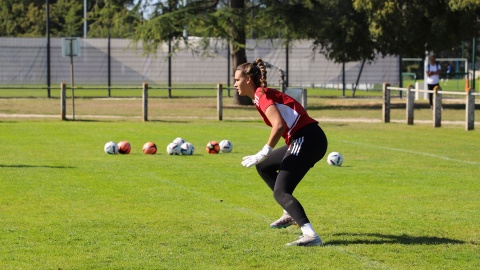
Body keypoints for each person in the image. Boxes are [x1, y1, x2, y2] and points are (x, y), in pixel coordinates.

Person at [234, 58, 328, 247]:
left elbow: (279, 125)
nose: (234, 84)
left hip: (308, 139)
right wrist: (264, 156)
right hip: (304, 139)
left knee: (281, 191)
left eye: (237, 79)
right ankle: (289, 213)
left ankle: (310, 235)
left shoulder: (261, 95)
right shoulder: (259, 96)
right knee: (264, 166)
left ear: (248, 80)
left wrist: (265, 150)